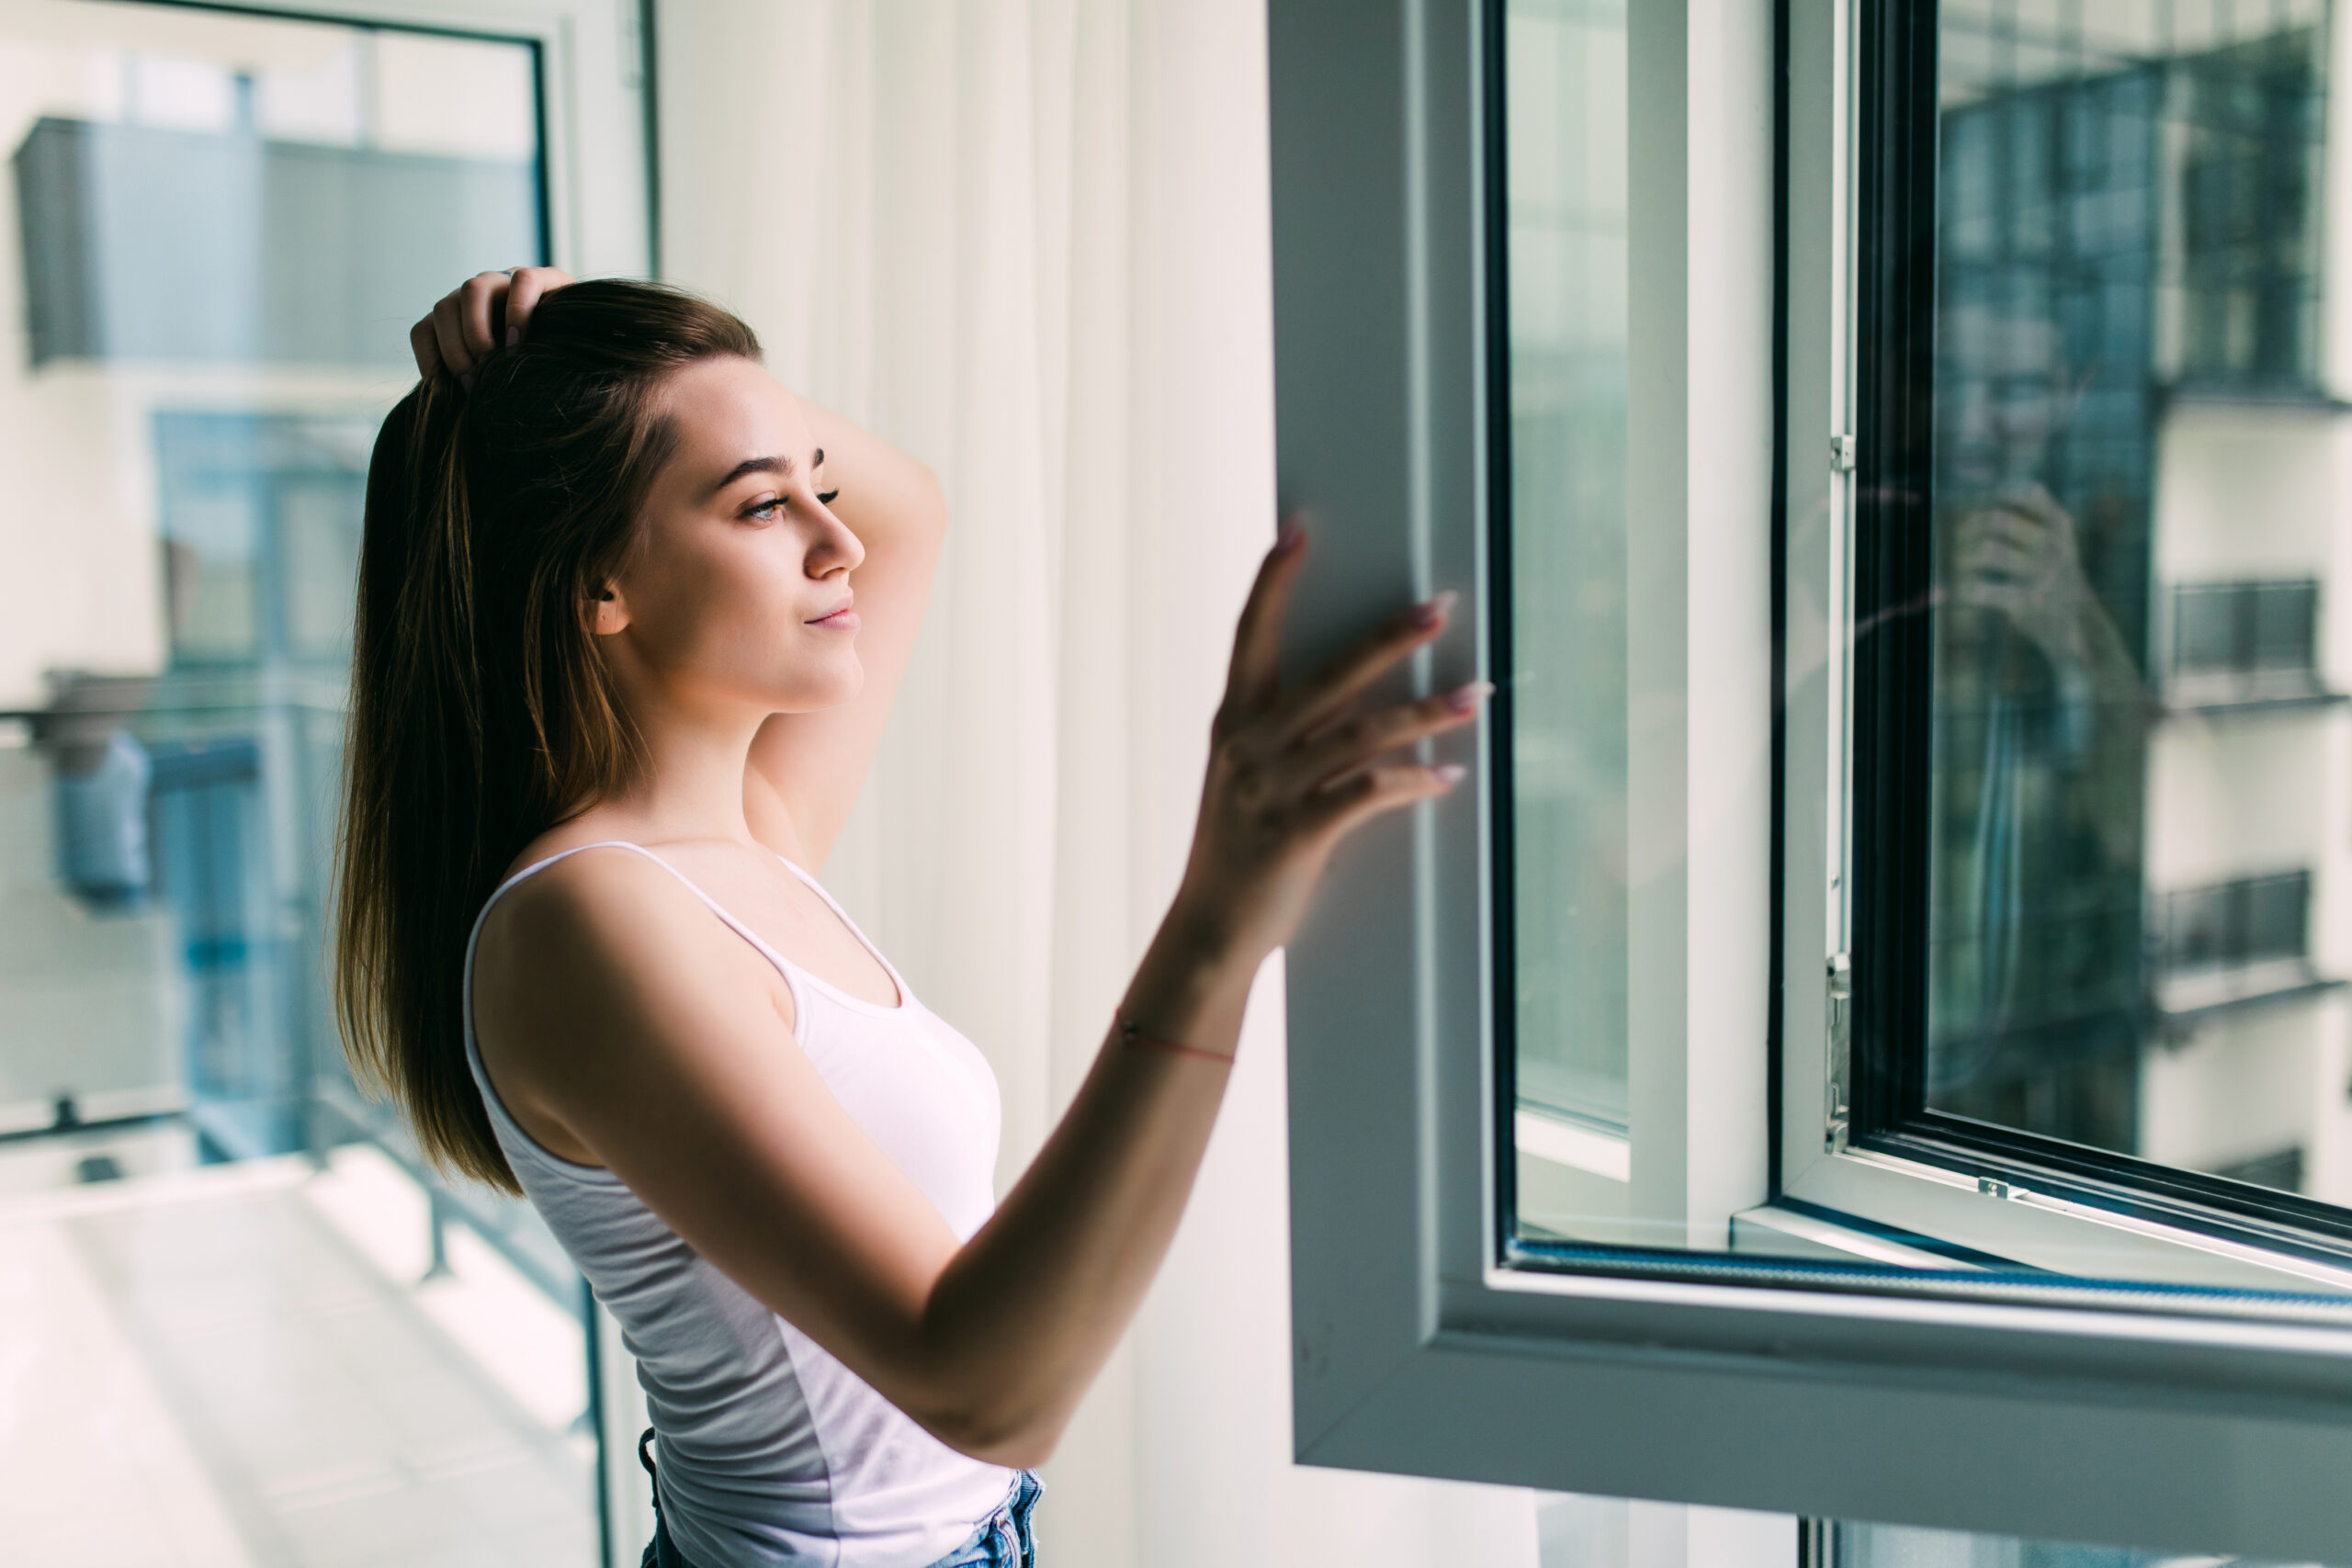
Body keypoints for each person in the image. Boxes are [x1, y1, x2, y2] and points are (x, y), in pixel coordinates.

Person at [334, 268, 1488, 1568]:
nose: (843, 544)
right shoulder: (592, 921)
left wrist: (597, 338)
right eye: (767, 506)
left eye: (816, 484)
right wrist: (1217, 921)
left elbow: (912, 509)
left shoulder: (742, 839)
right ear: (598, 581)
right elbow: (986, 1387)